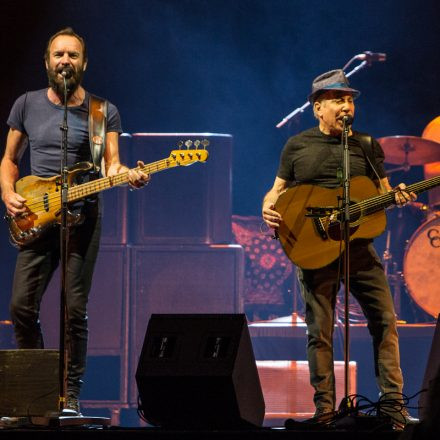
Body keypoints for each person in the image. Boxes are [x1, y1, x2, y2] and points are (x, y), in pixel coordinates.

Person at [0, 27, 149, 416]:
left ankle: (70, 397)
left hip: (82, 218)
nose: (65, 61)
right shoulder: (26, 104)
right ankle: (36, 389)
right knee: (21, 307)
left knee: (74, 308)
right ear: (47, 62)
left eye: (73, 56)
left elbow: (111, 164)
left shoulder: (103, 111)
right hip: (36, 212)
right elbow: (10, 159)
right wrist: (7, 191)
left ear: (84, 63)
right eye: (58, 55)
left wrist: (126, 173)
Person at [262, 69, 418, 426]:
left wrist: (397, 197)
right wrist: (267, 205)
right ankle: (325, 412)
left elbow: (382, 191)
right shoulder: (297, 146)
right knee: (320, 329)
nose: (346, 106)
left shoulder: (365, 144)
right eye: (337, 99)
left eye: (349, 100)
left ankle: (393, 408)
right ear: (318, 107)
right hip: (314, 247)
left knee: (385, 320)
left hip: (360, 247)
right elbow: (277, 189)